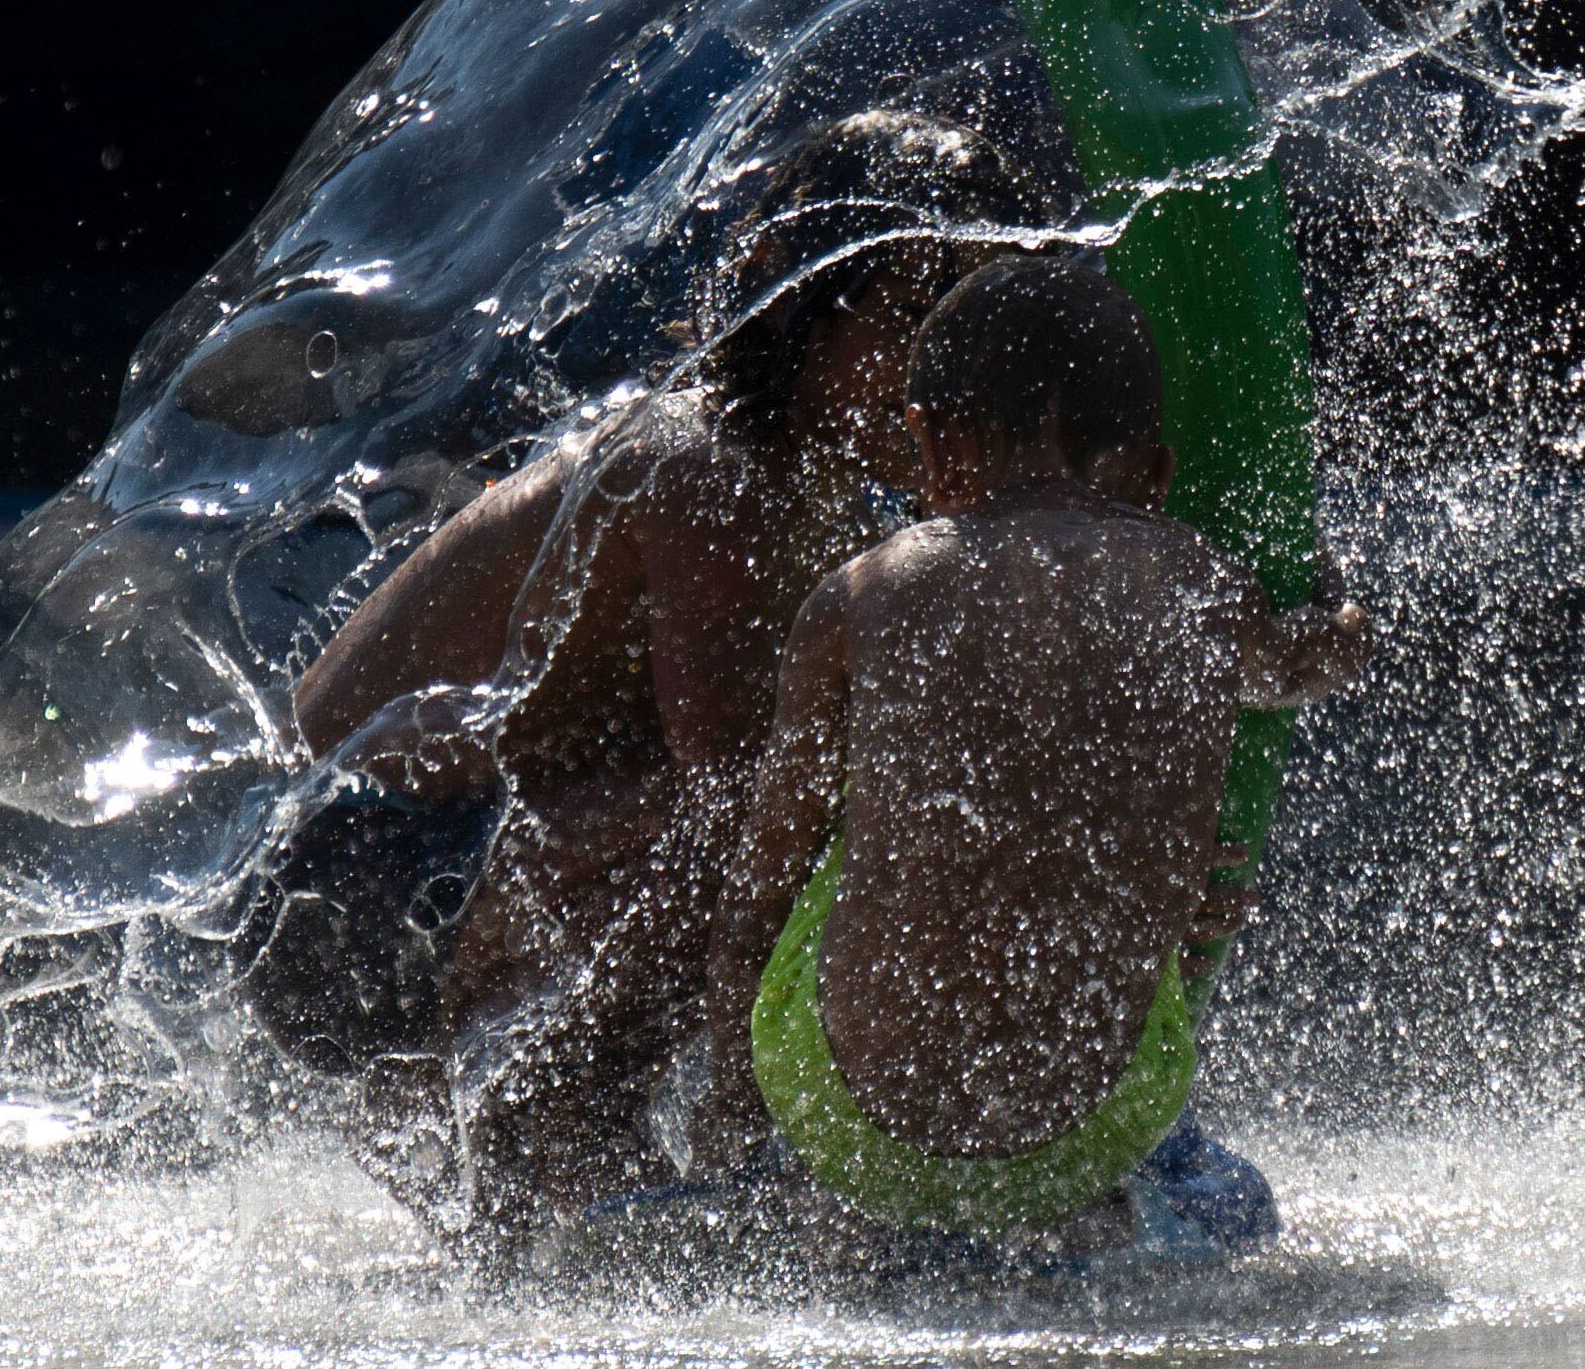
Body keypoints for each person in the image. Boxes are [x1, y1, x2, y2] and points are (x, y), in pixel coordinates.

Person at [280, 107, 1061, 1240]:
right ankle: (534, 1116)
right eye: (908, 319)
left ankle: (581, 1124)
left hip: (463, 850)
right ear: (803, 308)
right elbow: (748, 787)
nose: (943, 373)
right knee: (766, 823)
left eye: (975, 333)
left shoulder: (825, 489)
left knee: (831, 814)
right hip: (349, 880)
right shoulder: (704, 470)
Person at [690, 254, 1369, 1249]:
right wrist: (1337, 594)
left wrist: (730, 1115)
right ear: (1156, 475)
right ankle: (1095, 1205)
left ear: (931, 438)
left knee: (848, 832)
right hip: (1091, 1130)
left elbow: (762, 883)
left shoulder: (861, 595)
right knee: (1120, 830)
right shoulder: (1210, 590)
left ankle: (801, 1184)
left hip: (850, 1125)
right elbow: (1318, 661)